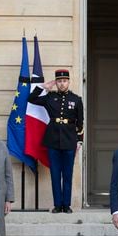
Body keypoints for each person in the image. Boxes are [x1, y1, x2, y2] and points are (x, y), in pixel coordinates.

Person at [27, 69, 84, 213]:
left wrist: (79, 141)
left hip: (70, 140)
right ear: (56, 82)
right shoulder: (49, 97)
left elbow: (80, 122)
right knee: (55, 173)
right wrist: (42, 87)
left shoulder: (76, 99)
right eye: (59, 81)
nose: (62, 84)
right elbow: (31, 99)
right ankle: (58, 204)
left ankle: (67, 204)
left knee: (67, 174)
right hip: (52, 140)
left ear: (69, 82)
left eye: (64, 81)